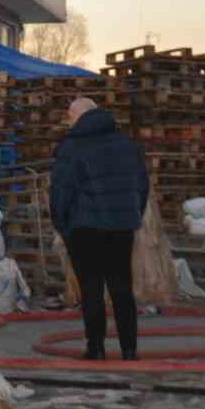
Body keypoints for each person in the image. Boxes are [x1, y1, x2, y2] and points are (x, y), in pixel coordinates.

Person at [51, 96, 150, 361]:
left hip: (84, 229)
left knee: (91, 289)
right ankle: (129, 349)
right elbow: (142, 185)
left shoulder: (71, 147)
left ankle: (95, 348)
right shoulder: (126, 145)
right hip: (120, 227)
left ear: (79, 116)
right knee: (122, 288)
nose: (68, 121)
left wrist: (62, 224)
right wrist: (132, 214)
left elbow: (61, 191)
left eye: (70, 116)